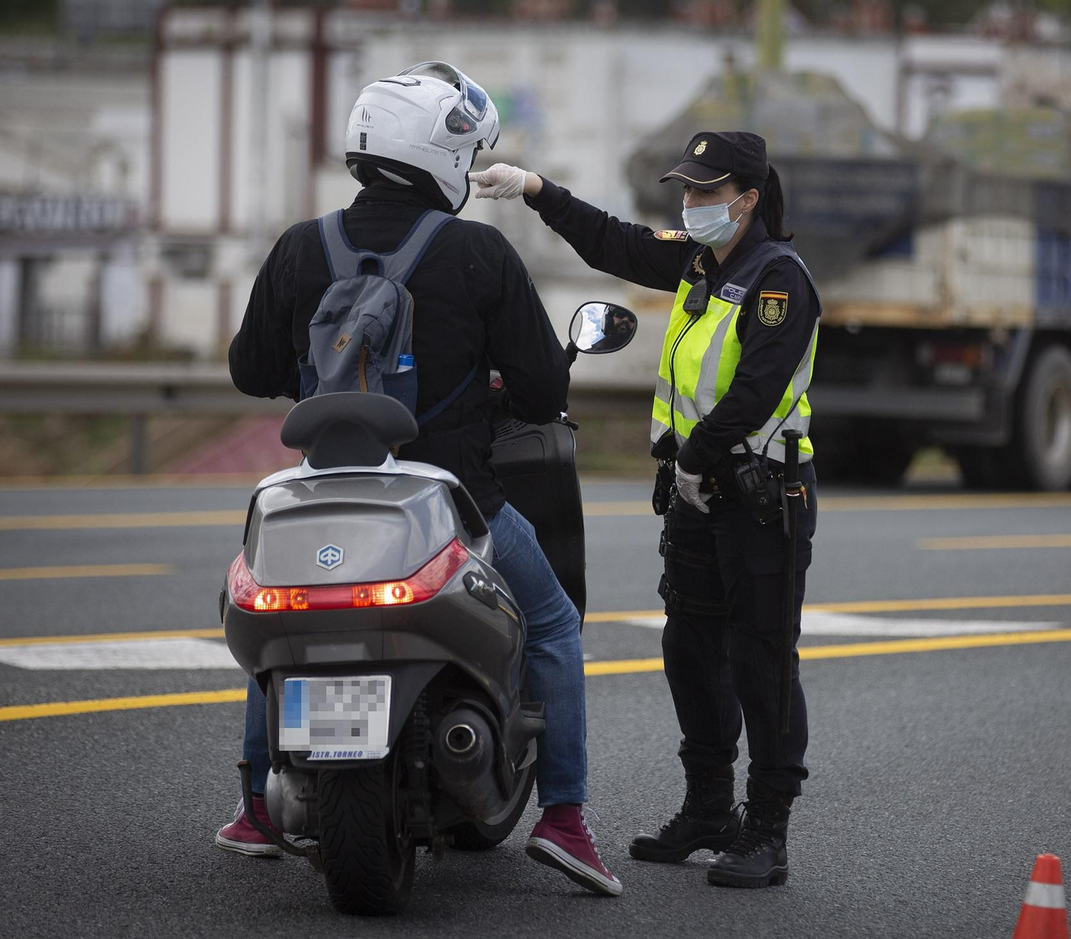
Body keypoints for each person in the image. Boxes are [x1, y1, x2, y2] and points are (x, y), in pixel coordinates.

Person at [214, 62, 621, 898]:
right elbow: (544, 392)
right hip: (451, 502)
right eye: (467, 157)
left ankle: (258, 807)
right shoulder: (477, 251)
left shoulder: (300, 247)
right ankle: (566, 820)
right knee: (550, 625)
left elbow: (251, 370)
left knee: (281, 638)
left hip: (322, 504)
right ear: (442, 157)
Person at [470, 130, 820, 889]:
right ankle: (708, 810)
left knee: (761, 662)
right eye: (686, 190)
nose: (689, 204)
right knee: (691, 653)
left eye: (705, 192)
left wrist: (697, 459)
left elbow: (756, 388)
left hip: (760, 498)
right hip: (697, 499)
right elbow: (615, 244)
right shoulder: (700, 258)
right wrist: (535, 187)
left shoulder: (777, 280)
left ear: (749, 199)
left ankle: (767, 832)